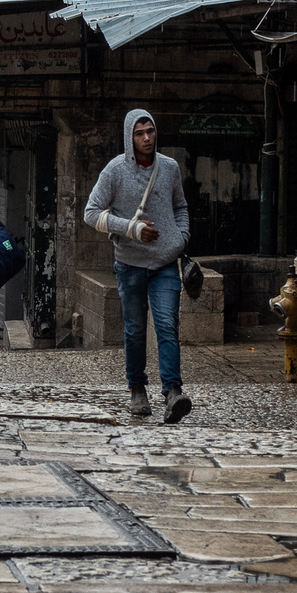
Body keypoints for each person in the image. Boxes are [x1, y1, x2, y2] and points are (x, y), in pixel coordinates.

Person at [83, 109, 193, 425]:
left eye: (150, 132)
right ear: (129, 137)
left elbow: (181, 206)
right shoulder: (114, 171)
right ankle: (137, 388)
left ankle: (173, 392)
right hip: (129, 264)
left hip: (164, 263)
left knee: (167, 325)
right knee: (134, 329)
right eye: (140, 133)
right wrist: (131, 228)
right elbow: (91, 213)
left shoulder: (169, 168)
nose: (147, 138)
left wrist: (181, 237)